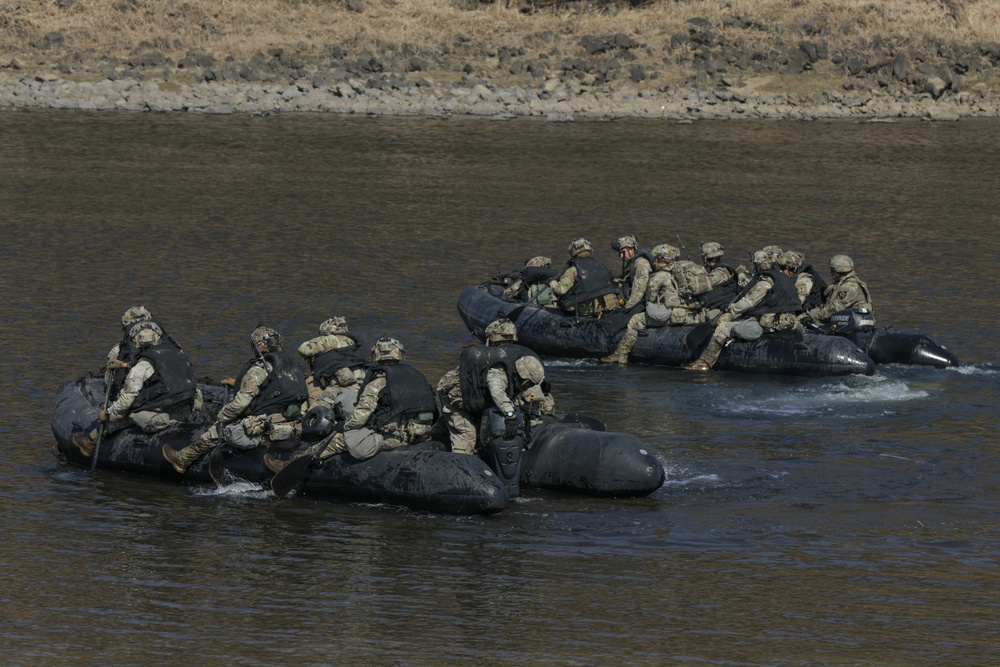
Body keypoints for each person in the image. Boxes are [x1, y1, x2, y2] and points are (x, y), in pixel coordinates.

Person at [267, 337, 438, 469]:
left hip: (393, 438)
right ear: (400, 353)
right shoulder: (417, 376)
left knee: (339, 440)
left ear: (376, 354)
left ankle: (292, 464)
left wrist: (344, 426)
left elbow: (360, 416)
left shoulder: (379, 380)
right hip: (420, 435)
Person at [162, 325, 308, 474]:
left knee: (219, 427)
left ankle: (182, 459)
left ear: (258, 346)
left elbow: (240, 404)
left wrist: (222, 416)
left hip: (264, 429)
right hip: (291, 426)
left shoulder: (259, 369)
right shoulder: (293, 367)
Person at [72, 320, 197, 457]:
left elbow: (125, 402)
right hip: (185, 412)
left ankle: (91, 442)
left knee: (128, 412)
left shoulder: (139, 369)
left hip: (161, 419)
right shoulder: (178, 355)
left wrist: (107, 414)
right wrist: (125, 365)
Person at [436, 319, 554, 454]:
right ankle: (459, 462)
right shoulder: (501, 368)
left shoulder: (525, 364)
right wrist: (510, 414)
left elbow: (535, 396)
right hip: (457, 395)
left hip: (479, 397)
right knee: (467, 437)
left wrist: (533, 420)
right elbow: (496, 390)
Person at [683, 248, 803, 372]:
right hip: (787, 322)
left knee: (724, 327)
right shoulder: (786, 280)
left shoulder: (766, 281)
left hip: (768, 325)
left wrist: (731, 309)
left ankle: (705, 362)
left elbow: (748, 302)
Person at [600, 243, 703, 364]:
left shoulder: (659, 277)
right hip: (692, 315)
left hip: (674, 315)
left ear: (662, 260)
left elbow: (650, 298)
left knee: (635, 320)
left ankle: (620, 354)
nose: (654, 263)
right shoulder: (683, 271)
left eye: (656, 260)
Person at [297, 316, 367, 413]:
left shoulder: (331, 339)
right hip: (360, 385)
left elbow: (303, 349)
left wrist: (319, 342)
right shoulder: (356, 341)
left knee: (315, 406)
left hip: (337, 387)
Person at [548, 237, 620, 317]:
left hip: (585, 311)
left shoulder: (573, 270)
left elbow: (560, 290)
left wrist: (552, 282)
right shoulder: (601, 265)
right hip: (606, 308)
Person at [804, 254, 874, 325]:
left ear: (835, 270)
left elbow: (834, 308)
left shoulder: (850, 287)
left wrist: (813, 316)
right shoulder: (839, 284)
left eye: (831, 269)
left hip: (851, 326)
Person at [612, 235, 654, 310]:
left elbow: (639, 291)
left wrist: (626, 309)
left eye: (623, 252)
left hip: (646, 303)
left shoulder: (641, 264)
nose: (621, 256)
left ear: (631, 249)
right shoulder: (631, 262)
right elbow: (624, 278)